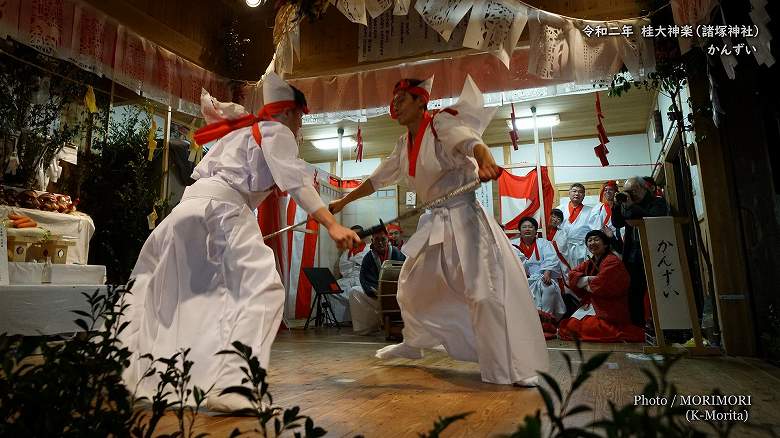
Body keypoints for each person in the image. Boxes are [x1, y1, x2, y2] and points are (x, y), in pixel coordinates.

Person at [120, 73, 360, 413]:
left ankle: (142, 370)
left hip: (185, 212)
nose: (300, 128)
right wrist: (333, 225)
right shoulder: (276, 130)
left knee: (173, 293)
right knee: (262, 290)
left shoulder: (241, 131)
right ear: (290, 113)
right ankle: (233, 383)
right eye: (300, 118)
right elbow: (295, 180)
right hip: (222, 212)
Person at [329, 76, 549, 386]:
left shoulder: (440, 124)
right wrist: (342, 201)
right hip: (435, 222)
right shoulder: (404, 145)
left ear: (421, 101)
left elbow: (471, 142)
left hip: (465, 219)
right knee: (411, 284)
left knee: (481, 291)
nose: (395, 105)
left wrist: (485, 160)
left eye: (402, 98)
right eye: (394, 100)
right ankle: (414, 343)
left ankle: (509, 368)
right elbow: (375, 180)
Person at [559, 230, 644, 343]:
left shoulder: (612, 261)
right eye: (589, 240)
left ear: (605, 244)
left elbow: (603, 284)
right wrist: (589, 279)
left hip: (609, 304)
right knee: (571, 326)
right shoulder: (590, 261)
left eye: (596, 239)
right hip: (593, 302)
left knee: (589, 327)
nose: (592, 242)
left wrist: (584, 282)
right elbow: (572, 276)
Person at [612, 176, 669, 326]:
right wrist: (617, 206)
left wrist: (632, 206)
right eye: (627, 191)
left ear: (645, 188)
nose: (631, 194)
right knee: (634, 292)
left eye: (634, 190)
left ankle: (663, 325)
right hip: (633, 255)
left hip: (655, 253)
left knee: (658, 291)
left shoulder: (657, 202)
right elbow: (617, 223)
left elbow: (654, 220)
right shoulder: (628, 204)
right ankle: (637, 326)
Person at [516, 217, 566, 319]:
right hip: (520, 278)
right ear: (520, 231)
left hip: (542, 276)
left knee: (549, 288)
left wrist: (547, 272)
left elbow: (551, 258)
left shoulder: (544, 243)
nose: (527, 229)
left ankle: (546, 319)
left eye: (530, 227)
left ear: (535, 230)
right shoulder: (512, 244)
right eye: (524, 227)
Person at [331, 225, 371, 322]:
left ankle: (358, 320)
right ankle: (337, 321)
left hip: (362, 280)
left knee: (356, 291)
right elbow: (343, 269)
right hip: (347, 279)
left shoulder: (370, 249)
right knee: (330, 290)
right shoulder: (346, 251)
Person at [556, 183, 594, 269]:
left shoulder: (591, 211)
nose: (577, 194)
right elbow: (552, 228)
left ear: (584, 195)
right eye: (574, 191)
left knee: (582, 272)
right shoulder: (559, 209)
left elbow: (594, 231)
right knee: (565, 273)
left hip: (582, 248)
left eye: (580, 192)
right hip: (563, 247)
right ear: (569, 193)